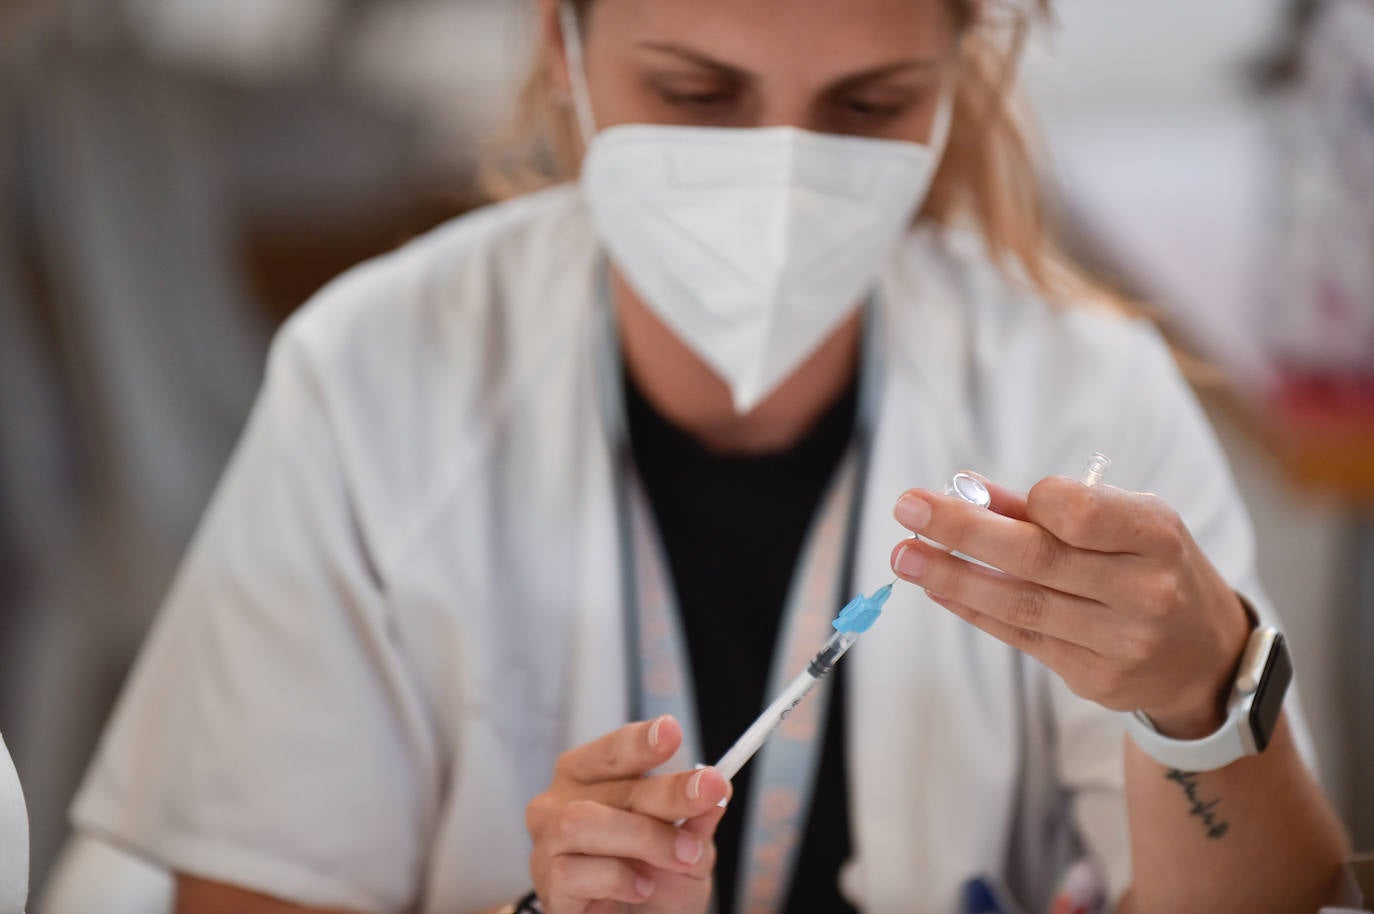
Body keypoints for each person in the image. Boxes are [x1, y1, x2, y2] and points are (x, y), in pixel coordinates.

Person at [64, 1, 1349, 912]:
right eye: (695, 94)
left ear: (960, 73)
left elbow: (1282, 894)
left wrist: (1201, 699)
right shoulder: (373, 378)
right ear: (562, 46)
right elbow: (244, 888)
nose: (780, 178)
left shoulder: (1080, 387)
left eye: (868, 104)